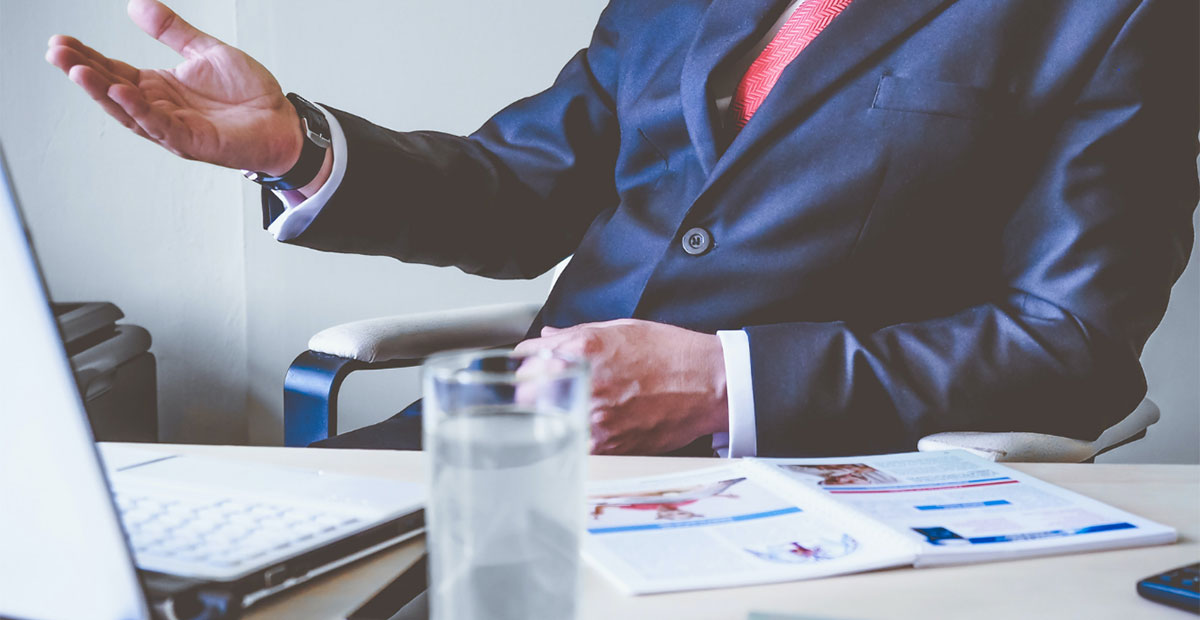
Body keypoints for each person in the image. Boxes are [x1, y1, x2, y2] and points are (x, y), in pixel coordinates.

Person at [46, 0, 1198, 457]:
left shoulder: (1119, 13)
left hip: (806, 478)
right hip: (521, 438)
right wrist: (299, 145)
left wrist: (723, 383)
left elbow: (1071, 342)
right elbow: (517, 188)